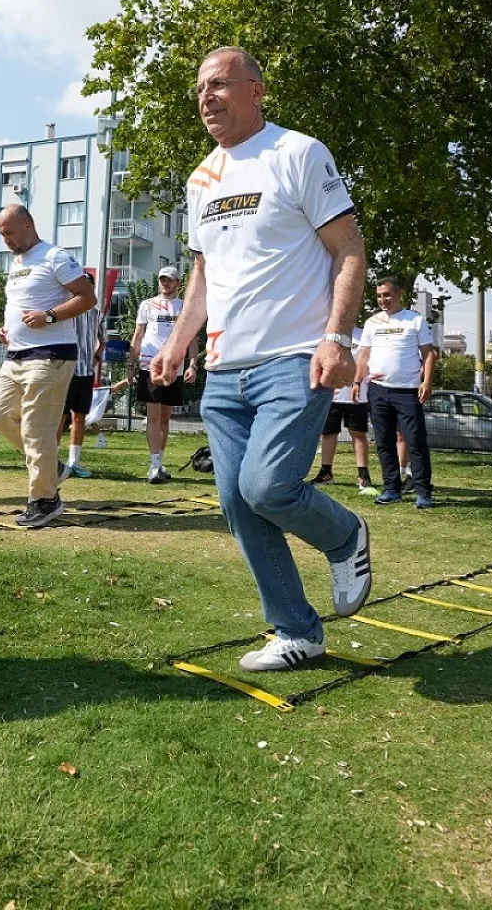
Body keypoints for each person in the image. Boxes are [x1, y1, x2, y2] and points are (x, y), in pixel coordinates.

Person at [151, 45, 373, 673]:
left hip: (294, 359)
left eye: (219, 84)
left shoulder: (298, 153)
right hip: (223, 372)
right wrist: (177, 342)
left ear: (257, 89)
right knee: (235, 503)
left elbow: (349, 249)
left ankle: (344, 534)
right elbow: (203, 274)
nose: (206, 97)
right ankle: (296, 631)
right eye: (199, 88)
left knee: (267, 487)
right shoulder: (200, 180)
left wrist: (339, 337)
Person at [0, 206, 96, 526]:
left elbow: (87, 297)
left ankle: (45, 500)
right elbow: (21, 305)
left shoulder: (56, 256)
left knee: (37, 429)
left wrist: (49, 316)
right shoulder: (17, 264)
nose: (5, 240)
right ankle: (53, 470)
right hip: (16, 355)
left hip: (51, 354)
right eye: (1, 234)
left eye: (9, 232)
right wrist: (7, 329)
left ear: (27, 224)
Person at [356, 276, 437, 508]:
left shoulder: (415, 320)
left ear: (399, 294)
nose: (383, 300)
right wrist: (356, 382)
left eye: (387, 295)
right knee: (383, 441)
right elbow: (363, 355)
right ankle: (391, 488)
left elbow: (429, 354)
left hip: (407, 392)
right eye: (379, 296)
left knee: (415, 441)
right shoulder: (372, 323)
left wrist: (427, 382)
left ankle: (423, 492)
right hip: (378, 391)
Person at [129, 266, 196, 483]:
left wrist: (192, 364)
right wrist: (131, 364)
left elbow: (192, 338)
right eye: (162, 280)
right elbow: (138, 335)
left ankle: (160, 462)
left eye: (169, 280)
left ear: (178, 282)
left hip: (175, 366)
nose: (165, 283)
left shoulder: (185, 307)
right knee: (154, 415)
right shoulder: (147, 305)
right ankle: (154, 464)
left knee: (166, 417)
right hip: (150, 365)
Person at [311, 325, 376, 495]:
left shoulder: (363, 334)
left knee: (358, 434)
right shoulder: (326, 335)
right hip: (331, 396)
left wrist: (357, 383)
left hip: (357, 397)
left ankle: (363, 476)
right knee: (328, 434)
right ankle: (326, 473)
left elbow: (366, 364)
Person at [61, 277, 104, 478]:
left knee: (79, 416)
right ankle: (51, 461)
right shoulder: (66, 310)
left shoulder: (96, 314)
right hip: (66, 370)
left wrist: (96, 357)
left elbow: (102, 340)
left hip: (86, 371)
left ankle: (74, 461)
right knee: (59, 417)